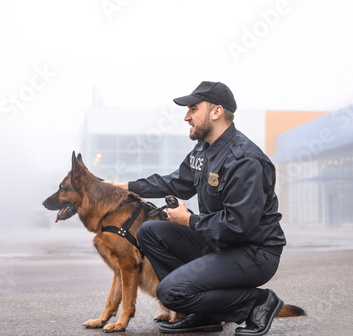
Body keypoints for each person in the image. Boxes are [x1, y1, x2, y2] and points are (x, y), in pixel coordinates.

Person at [107, 81, 286, 335]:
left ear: (216, 112)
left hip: (253, 252)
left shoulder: (244, 160)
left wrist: (189, 221)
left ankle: (258, 302)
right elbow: (176, 182)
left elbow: (238, 225)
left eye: (193, 109)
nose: (186, 117)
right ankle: (201, 314)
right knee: (149, 232)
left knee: (168, 292)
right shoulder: (203, 149)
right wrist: (125, 186)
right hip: (219, 244)